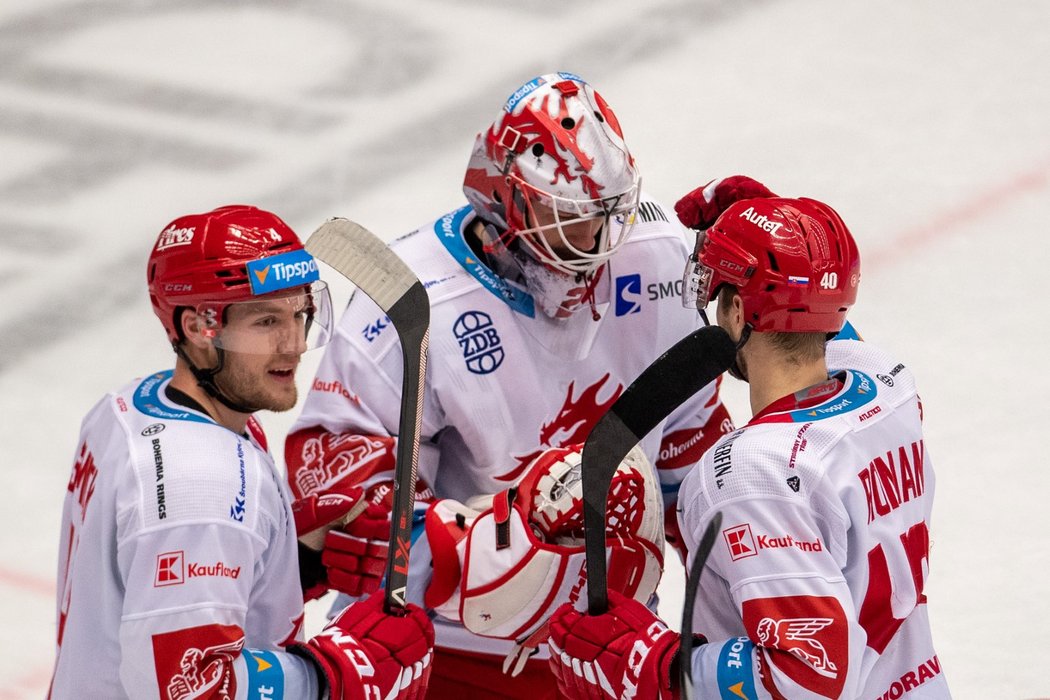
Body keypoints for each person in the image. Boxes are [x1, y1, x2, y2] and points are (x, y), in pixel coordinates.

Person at [284, 72, 741, 698]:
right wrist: (473, 557)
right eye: (566, 220)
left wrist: (740, 575)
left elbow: (692, 455)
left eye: (607, 215)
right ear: (505, 206)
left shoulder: (659, 261)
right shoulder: (411, 302)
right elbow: (337, 503)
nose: (594, 244)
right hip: (439, 655)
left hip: (609, 648)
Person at [546, 192, 951, 698]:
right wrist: (782, 227)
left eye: (721, 296)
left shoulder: (751, 473)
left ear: (737, 311)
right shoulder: (891, 388)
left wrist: (653, 663)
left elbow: (812, 675)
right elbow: (831, 327)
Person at [51, 205, 434, 699]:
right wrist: (331, 674)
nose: (294, 344)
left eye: (301, 314)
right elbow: (186, 686)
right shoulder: (201, 484)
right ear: (197, 327)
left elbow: (140, 592)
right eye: (267, 321)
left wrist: (292, 560)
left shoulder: (129, 406)